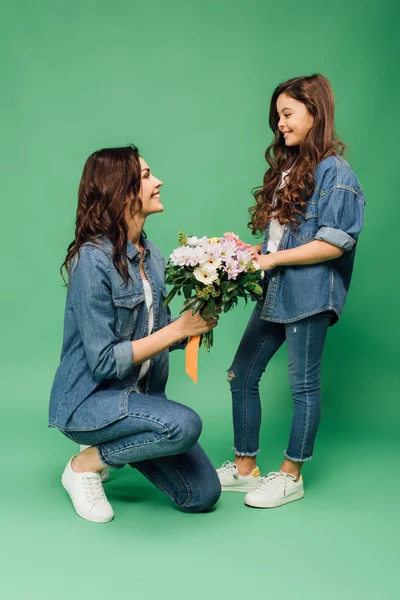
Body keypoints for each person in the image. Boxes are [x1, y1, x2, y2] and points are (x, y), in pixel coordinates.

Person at [49, 145, 221, 523]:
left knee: (202, 495)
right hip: (89, 400)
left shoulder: (153, 256)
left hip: (141, 399)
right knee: (185, 424)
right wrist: (177, 328)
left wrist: (194, 324)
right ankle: (84, 463)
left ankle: (114, 442)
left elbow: (159, 334)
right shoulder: (90, 261)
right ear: (120, 189)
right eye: (145, 176)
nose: (157, 182)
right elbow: (104, 361)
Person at [217, 74, 365, 508]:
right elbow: (285, 240)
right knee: (240, 374)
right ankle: (245, 470)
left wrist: (274, 260)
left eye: (288, 114)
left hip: (310, 293)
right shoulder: (290, 169)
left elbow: (336, 241)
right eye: (277, 117)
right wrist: (248, 253)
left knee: (303, 386)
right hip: (276, 290)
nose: (280, 124)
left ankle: (291, 474)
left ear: (314, 113)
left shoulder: (335, 172)